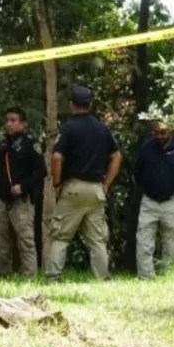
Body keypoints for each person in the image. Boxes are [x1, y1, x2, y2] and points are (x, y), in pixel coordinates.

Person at [46, 84, 121, 281]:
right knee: (97, 239)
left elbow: (56, 157)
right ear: (90, 104)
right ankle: (102, 278)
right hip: (96, 190)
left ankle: (54, 276)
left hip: (73, 188)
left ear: (72, 104)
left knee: (61, 236)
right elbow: (117, 156)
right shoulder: (102, 128)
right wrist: (106, 183)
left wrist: (56, 184)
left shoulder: (69, 128)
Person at [0, 106, 46, 277]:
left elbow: (41, 171)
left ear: (23, 124)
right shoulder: (3, 145)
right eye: (7, 120)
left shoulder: (31, 145)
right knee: (1, 240)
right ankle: (3, 273)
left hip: (22, 201)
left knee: (25, 240)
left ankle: (29, 275)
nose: (9, 124)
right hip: (3, 200)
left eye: (13, 120)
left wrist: (23, 186)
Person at [134, 119, 174, 280]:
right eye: (155, 133)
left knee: (172, 242)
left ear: (171, 131)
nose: (159, 136)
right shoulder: (146, 147)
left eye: (163, 133)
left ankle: (168, 276)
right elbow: (138, 173)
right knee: (144, 240)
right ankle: (145, 277)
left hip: (173, 201)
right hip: (150, 200)